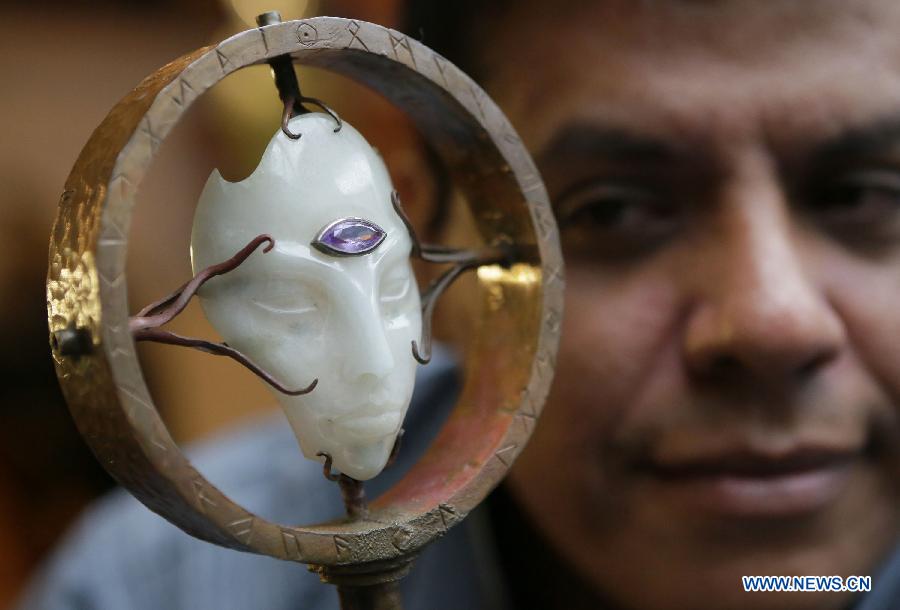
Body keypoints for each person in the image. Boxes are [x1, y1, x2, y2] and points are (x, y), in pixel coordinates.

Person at [17, 1, 900, 609]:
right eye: (614, 210)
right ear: (421, 211)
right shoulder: (165, 588)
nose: (774, 321)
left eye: (867, 195)